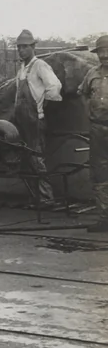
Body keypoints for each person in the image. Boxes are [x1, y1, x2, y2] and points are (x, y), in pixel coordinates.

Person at [15, 29, 62, 206]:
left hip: (35, 121)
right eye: (19, 47)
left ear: (33, 47)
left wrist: (43, 108)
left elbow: (54, 87)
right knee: (27, 160)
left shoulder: (40, 66)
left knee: (37, 158)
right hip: (23, 121)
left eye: (25, 47)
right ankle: (36, 198)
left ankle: (47, 198)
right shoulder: (22, 68)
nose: (21, 50)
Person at [78, 34, 108, 231]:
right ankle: (105, 218)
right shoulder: (92, 74)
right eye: (101, 52)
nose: (104, 56)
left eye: (107, 51)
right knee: (99, 173)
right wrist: (88, 111)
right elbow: (82, 93)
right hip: (98, 128)